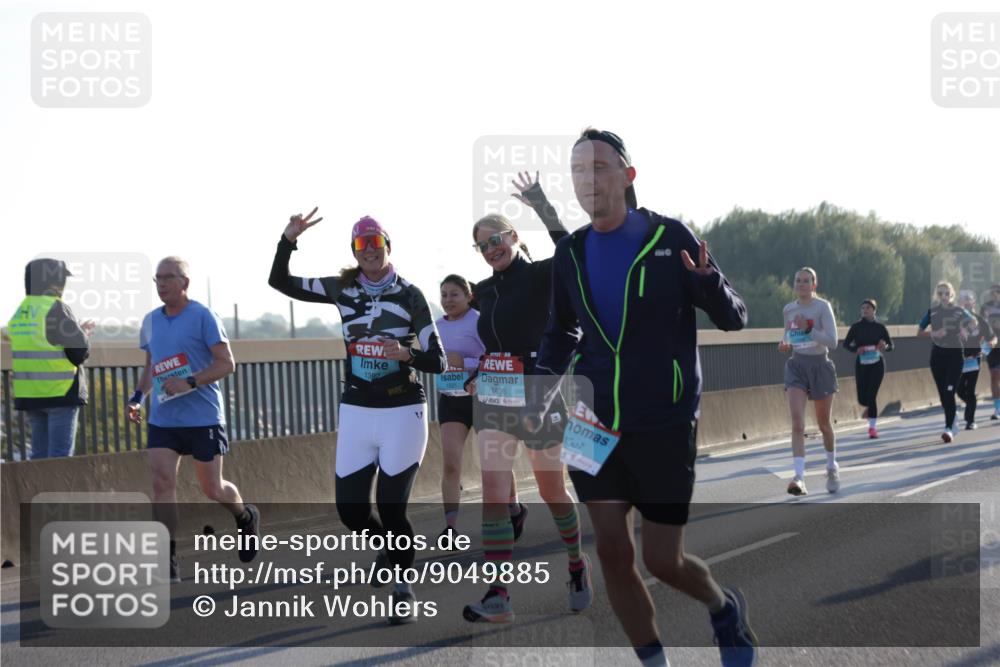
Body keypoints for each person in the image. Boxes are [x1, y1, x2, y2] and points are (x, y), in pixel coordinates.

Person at [528, 128, 756, 667]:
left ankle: (723, 608)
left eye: (599, 167)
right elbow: (561, 332)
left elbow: (734, 318)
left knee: (662, 559)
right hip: (590, 419)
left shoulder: (669, 237)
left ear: (627, 176)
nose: (588, 179)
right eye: (578, 170)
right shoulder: (570, 253)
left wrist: (708, 284)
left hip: (663, 419)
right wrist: (538, 389)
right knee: (611, 549)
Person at [268, 210, 446, 625]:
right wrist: (288, 239)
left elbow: (437, 360)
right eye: (362, 244)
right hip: (357, 410)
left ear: (388, 246)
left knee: (391, 505)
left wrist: (407, 354)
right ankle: (389, 547)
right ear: (354, 251)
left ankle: (403, 588)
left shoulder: (411, 295)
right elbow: (280, 282)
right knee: (350, 511)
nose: (369, 250)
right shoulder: (342, 288)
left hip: (402, 410)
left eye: (376, 243)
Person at [461, 171, 592, 623]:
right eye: (482, 245)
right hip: (496, 398)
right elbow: (493, 343)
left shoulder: (540, 275)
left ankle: (576, 563)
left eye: (495, 240)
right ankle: (499, 593)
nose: (490, 249)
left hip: (540, 393)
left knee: (552, 489)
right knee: (494, 492)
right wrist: (478, 372)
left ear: (513, 237)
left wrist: (543, 206)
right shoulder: (483, 292)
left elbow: (573, 252)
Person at [127, 256, 260, 582]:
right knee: (162, 483)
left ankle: (245, 517)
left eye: (168, 278)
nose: (161, 284)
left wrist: (190, 381)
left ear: (184, 282)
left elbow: (226, 363)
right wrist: (137, 398)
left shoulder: (203, 316)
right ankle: (168, 557)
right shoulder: (150, 321)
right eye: (157, 278)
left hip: (203, 417)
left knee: (212, 488)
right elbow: (152, 366)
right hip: (164, 419)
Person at [434, 274, 521, 547]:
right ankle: (450, 528)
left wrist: (466, 362)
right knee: (451, 464)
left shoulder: (479, 321)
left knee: (493, 464)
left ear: (468, 296)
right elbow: (433, 360)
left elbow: (495, 356)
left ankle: (514, 508)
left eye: (454, 294)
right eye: (444, 295)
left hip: (484, 398)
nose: (448, 300)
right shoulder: (436, 327)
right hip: (451, 400)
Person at [8, 259, 93, 460]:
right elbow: (79, 352)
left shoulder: (21, 311)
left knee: (39, 458)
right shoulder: (55, 307)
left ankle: (37, 483)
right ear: (54, 282)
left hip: (30, 394)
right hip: (60, 392)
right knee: (60, 460)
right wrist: (84, 334)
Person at [778, 267, 840, 496]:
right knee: (797, 423)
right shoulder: (789, 309)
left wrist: (810, 329)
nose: (801, 284)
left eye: (806, 281)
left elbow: (833, 341)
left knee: (824, 424)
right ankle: (799, 478)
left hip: (820, 366)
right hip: (797, 366)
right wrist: (784, 343)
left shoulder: (822, 307)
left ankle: (831, 467)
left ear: (814, 285)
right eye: (798, 281)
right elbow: (788, 334)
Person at [917, 281, 976, 443]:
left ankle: (948, 428)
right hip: (937, 357)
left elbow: (974, 322)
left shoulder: (959, 311)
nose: (944, 296)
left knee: (949, 391)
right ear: (937, 295)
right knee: (944, 395)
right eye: (940, 293)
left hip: (955, 355)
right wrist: (934, 334)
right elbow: (919, 332)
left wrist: (965, 329)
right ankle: (953, 417)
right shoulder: (932, 312)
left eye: (947, 293)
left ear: (952, 295)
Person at [843, 298, 893, 439]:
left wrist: (885, 346)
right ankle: (870, 409)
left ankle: (872, 428)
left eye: (868, 308)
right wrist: (856, 349)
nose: (865, 310)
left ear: (874, 310)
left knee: (871, 396)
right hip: (862, 364)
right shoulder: (856, 327)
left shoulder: (880, 327)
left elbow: (891, 346)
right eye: (863, 308)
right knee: (862, 399)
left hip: (877, 364)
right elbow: (846, 344)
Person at [956, 291, 996, 430]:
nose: (967, 303)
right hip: (959, 360)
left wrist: (990, 344)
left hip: (974, 359)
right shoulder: (955, 320)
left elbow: (992, 337)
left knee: (970, 389)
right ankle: (971, 403)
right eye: (964, 300)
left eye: (969, 300)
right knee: (959, 389)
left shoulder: (980, 320)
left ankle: (970, 420)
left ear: (973, 302)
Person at [980, 283, 1000, 420]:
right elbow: (980, 325)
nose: (994, 294)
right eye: (992, 292)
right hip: (991, 345)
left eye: (997, 291)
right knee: (994, 376)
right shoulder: (985, 307)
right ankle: (998, 408)